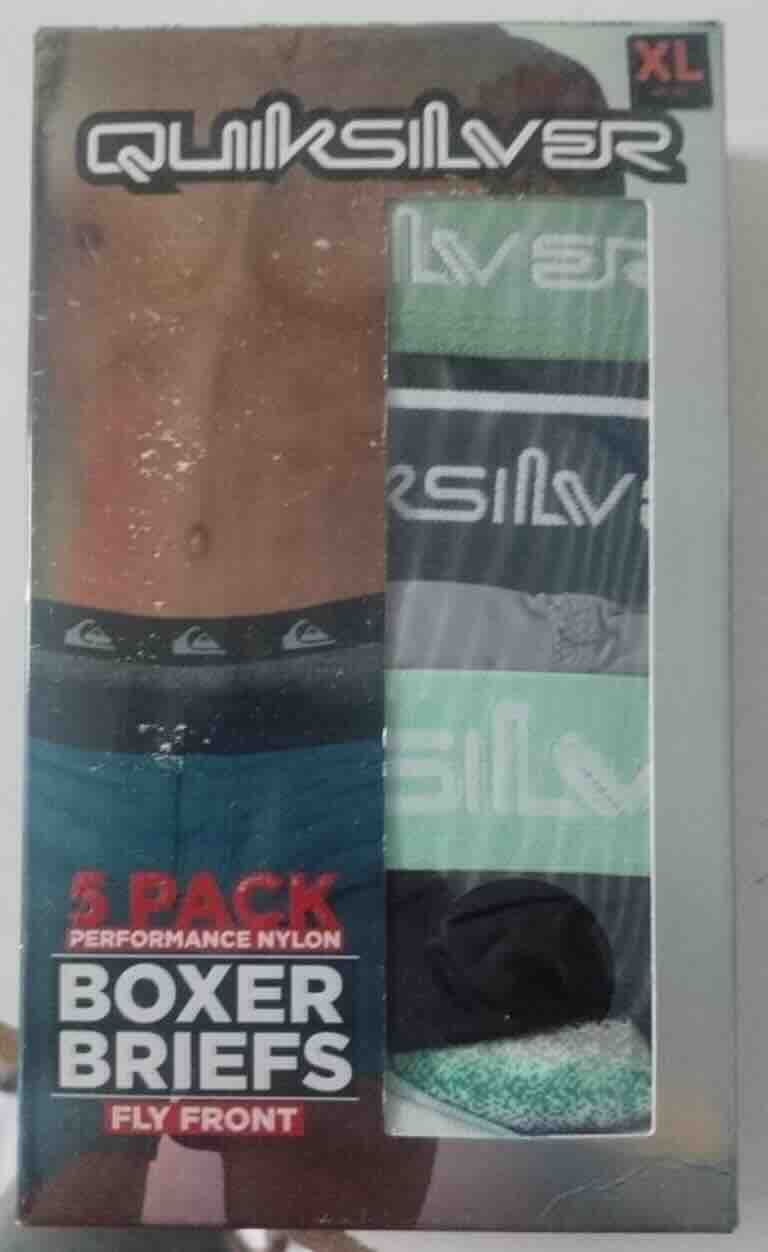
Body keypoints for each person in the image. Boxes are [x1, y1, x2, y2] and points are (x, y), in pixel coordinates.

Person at [23, 25, 620, 1227]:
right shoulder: (73, 60)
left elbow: (592, 385)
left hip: (345, 719)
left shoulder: (515, 88)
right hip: (73, 705)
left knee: (318, 1196)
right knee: (69, 1197)